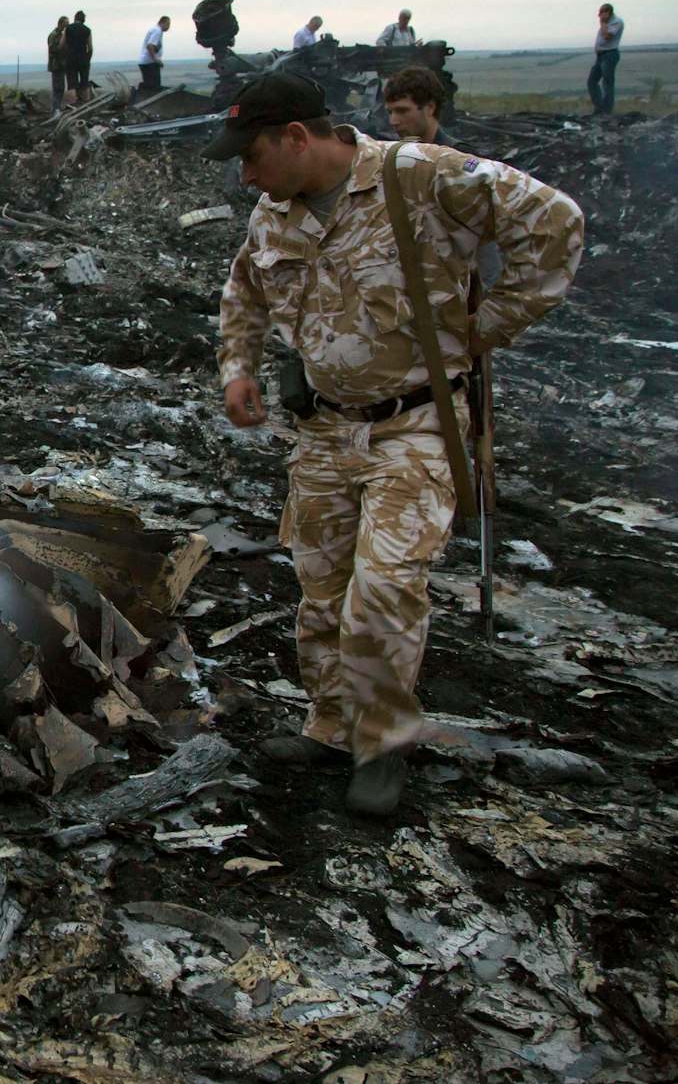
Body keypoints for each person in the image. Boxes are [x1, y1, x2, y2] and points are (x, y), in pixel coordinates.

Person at [207, 73, 584, 815]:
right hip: (322, 427)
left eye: (251, 155)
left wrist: (488, 325)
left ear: (296, 137)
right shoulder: (272, 212)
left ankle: (381, 743)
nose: (244, 174)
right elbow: (244, 289)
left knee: (381, 590)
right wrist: (237, 368)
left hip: (415, 424)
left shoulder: (418, 174)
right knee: (322, 586)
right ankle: (330, 725)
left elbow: (557, 222)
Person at [383, 66, 457, 148]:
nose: (393, 122)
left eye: (402, 111)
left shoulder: (459, 155)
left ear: (430, 108)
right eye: (390, 112)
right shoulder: (399, 153)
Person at [589, 3, 624, 115]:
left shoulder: (617, 22)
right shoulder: (607, 23)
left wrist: (603, 23)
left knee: (607, 83)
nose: (599, 16)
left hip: (609, 55)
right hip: (600, 56)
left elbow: (607, 36)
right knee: (592, 81)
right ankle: (599, 108)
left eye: (601, 13)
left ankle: (607, 111)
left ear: (608, 13)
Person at [64, 10, 94, 104]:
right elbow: (90, 47)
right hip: (83, 58)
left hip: (71, 58)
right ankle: (87, 105)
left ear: (75, 18)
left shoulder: (68, 28)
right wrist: (88, 58)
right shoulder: (87, 30)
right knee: (85, 82)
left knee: (72, 84)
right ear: (83, 20)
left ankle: (72, 106)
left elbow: (61, 43)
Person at [140, 15, 171, 92]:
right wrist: (155, 59)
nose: (169, 27)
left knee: (149, 87)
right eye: (168, 24)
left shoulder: (155, 30)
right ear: (162, 23)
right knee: (154, 89)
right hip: (150, 63)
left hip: (147, 62)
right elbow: (150, 46)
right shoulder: (157, 31)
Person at [47, 15, 69, 117]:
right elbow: (53, 49)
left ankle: (57, 107)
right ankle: (55, 108)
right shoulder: (54, 35)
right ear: (60, 24)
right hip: (56, 65)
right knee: (57, 88)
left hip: (61, 65)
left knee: (61, 88)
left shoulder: (61, 35)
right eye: (65, 25)